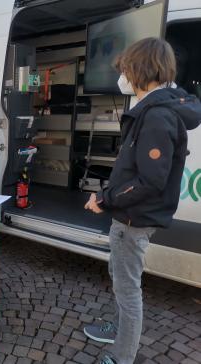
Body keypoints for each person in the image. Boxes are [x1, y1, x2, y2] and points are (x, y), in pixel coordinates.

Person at [83, 38, 201, 364]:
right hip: (132, 216)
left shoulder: (157, 116)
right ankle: (118, 329)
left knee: (127, 289)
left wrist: (104, 199)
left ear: (139, 70)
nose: (122, 76)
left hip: (134, 219)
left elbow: (150, 180)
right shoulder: (154, 110)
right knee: (120, 276)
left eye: (124, 69)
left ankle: (122, 356)